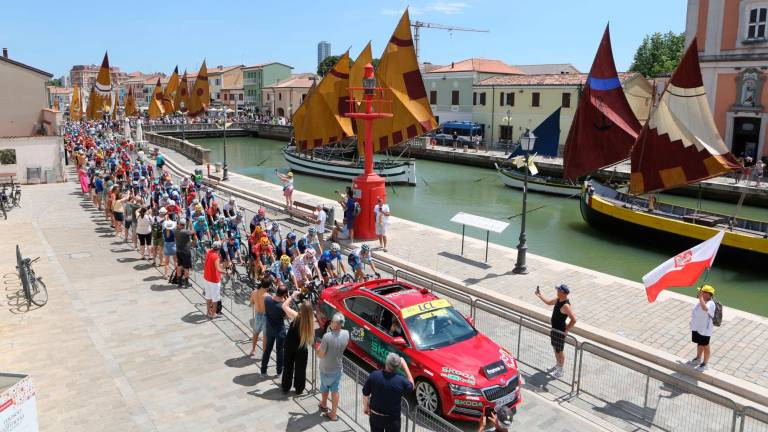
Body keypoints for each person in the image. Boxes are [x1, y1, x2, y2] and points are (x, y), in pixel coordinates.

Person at [362, 353, 414, 432]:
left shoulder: (374, 375)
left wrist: (366, 407)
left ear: (386, 363)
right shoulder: (401, 381)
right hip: (392, 419)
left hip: (375, 416)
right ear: (398, 366)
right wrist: (405, 366)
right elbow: (412, 386)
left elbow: (366, 393)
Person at [535, 284, 577, 379]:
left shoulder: (566, 305)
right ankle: (558, 365)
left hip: (560, 331)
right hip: (554, 329)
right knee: (555, 348)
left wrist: (566, 330)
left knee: (559, 350)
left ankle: (560, 370)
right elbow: (549, 302)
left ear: (562, 292)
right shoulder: (558, 300)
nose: (557, 291)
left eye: (558, 290)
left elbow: (574, 319)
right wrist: (539, 295)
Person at [317, 313, 349, 421]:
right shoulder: (346, 334)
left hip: (326, 368)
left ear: (334, 324)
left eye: (332, 321)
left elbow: (321, 354)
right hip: (338, 368)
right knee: (335, 391)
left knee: (325, 387)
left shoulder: (327, 337)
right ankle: (334, 413)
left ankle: (324, 404)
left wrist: (317, 349)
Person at [281, 293, 314, 395]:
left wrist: (291, 296)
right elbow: (311, 339)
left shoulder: (296, 316)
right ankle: (299, 389)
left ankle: (286, 387)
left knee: (288, 366)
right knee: (301, 369)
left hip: (290, 346)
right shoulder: (310, 322)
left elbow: (284, 306)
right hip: (302, 348)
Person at [687, 285, 717, 372]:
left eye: (702, 292)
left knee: (705, 345)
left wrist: (700, 298)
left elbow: (705, 308)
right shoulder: (702, 300)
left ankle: (705, 363)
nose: (700, 293)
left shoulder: (711, 303)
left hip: (705, 329)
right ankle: (698, 358)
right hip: (698, 327)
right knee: (699, 343)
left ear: (708, 294)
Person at [261, 286, 289, 376]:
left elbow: (266, 295)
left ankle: (263, 370)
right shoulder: (282, 306)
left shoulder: (267, 300)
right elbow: (285, 317)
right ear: (284, 294)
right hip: (279, 330)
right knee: (280, 351)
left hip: (269, 328)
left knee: (267, 349)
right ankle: (279, 371)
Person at [203, 240, 226, 319]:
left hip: (207, 278)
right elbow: (218, 269)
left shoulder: (209, 252)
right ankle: (213, 314)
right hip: (214, 280)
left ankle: (208, 312)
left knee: (208, 296)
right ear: (219, 249)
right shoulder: (216, 256)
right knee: (215, 298)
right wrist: (227, 272)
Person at [249, 277, 271, 357]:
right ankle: (264, 353)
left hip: (258, 314)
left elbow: (251, 302)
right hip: (265, 316)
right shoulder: (268, 296)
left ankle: (253, 350)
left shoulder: (254, 292)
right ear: (268, 286)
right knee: (265, 336)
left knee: (255, 333)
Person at [174, 218, 193, 287]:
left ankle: (179, 282)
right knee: (186, 267)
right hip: (186, 252)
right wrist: (190, 224)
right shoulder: (185, 232)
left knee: (179, 266)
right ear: (184, 225)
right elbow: (193, 231)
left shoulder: (176, 231)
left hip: (178, 251)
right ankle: (186, 282)